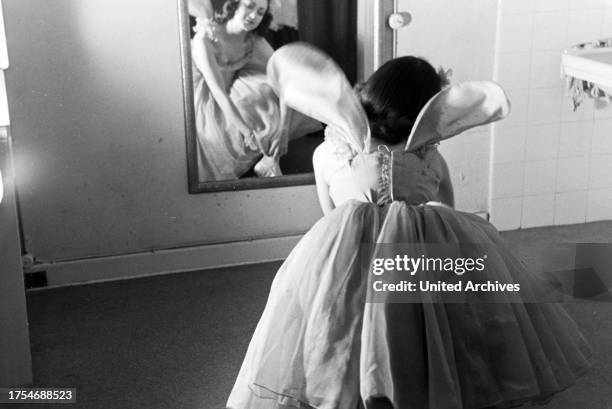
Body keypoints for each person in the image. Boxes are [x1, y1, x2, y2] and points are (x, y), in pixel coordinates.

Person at [226, 44, 592, 409]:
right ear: (431, 111)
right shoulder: (431, 159)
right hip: (414, 271)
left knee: (329, 325)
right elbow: (447, 210)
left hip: (345, 261)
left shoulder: (328, 155)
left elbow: (329, 216)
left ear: (369, 95)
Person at [191, 0, 320, 181]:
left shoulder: (253, 40)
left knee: (272, 91)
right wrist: (248, 133)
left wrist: (284, 128)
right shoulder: (205, 39)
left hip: (230, 88)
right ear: (234, 5)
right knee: (237, 119)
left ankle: (270, 160)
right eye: (249, 6)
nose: (253, 16)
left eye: (260, 12)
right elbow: (219, 94)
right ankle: (263, 154)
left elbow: (283, 78)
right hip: (209, 97)